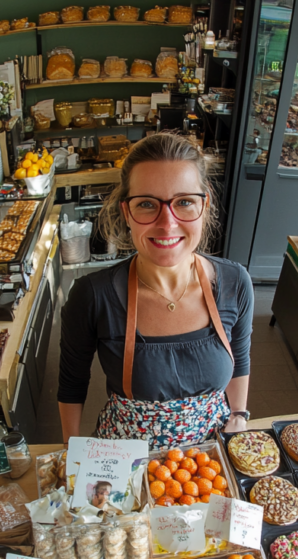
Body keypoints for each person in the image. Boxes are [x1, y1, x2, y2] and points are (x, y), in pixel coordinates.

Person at [58, 133, 253, 448]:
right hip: (126, 457)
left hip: (211, 456)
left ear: (205, 205)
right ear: (127, 212)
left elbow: (240, 357)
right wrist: (73, 453)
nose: (167, 223)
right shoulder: (93, 295)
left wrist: (239, 415)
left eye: (184, 202)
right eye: (147, 204)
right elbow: (72, 383)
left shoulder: (235, 282)